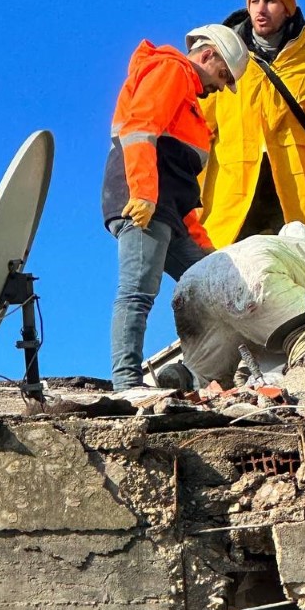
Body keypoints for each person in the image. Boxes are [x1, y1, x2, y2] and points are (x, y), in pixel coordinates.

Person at [102, 24, 249, 391]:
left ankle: (192, 375)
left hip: (165, 209)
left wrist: (208, 254)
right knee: (138, 290)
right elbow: (139, 128)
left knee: (216, 286)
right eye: (223, 75)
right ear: (208, 55)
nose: (220, 86)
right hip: (143, 202)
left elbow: (183, 190)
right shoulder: (172, 70)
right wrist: (144, 194)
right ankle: (126, 386)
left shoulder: (190, 105)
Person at [198, 0, 305, 247]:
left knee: (296, 275)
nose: (260, 8)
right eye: (254, 0)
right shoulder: (227, 58)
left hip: (294, 190)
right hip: (231, 190)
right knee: (223, 276)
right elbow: (196, 124)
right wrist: (188, 193)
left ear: (288, 8)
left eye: (270, 0)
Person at [171, 222, 305, 387]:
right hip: (253, 274)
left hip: (191, 284)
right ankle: (301, 378)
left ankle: (182, 379)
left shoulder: (278, 246)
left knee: (202, 378)